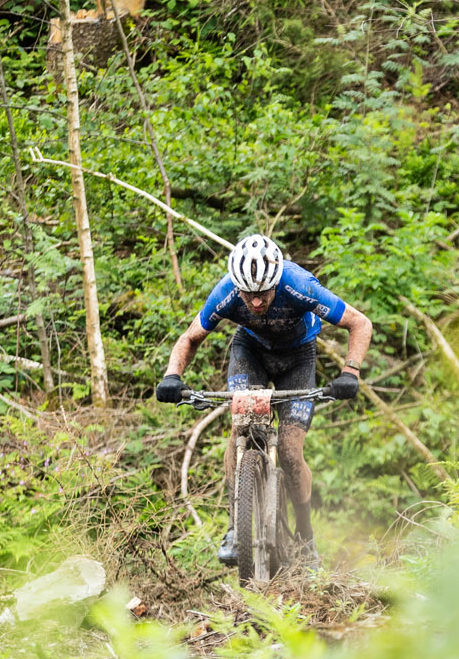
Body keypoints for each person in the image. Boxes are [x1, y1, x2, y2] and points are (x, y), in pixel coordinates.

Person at [155, 234, 371, 566]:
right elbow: (190, 338)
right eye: (248, 295)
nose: (256, 302)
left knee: (289, 450)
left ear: (276, 281)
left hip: (298, 358)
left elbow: (359, 323)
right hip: (251, 353)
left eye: (264, 293)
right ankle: (234, 528)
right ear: (237, 287)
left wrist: (350, 372)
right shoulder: (226, 292)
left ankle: (305, 535)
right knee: (241, 428)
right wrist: (172, 375)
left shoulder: (299, 284)